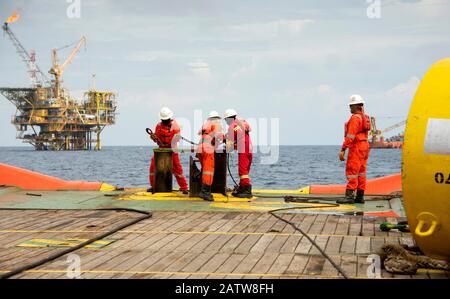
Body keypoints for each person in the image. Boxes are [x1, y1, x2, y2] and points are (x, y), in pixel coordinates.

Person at [337, 95, 371, 204]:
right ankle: (360, 196)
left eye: (351, 106)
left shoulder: (355, 118)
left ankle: (349, 196)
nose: (350, 108)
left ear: (356, 106)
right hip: (365, 146)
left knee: (352, 170)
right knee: (361, 172)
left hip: (356, 147)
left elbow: (350, 136)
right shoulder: (364, 117)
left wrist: (343, 149)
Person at [148, 107, 188, 194]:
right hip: (161, 149)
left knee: (177, 168)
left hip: (172, 149)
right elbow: (156, 139)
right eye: (163, 119)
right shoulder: (158, 126)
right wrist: (153, 137)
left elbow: (177, 138)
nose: (164, 121)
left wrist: (173, 140)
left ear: (169, 118)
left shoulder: (175, 126)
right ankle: (153, 186)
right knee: (153, 167)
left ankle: (184, 187)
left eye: (166, 119)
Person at [224, 109, 253, 198]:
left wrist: (226, 145)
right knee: (246, 170)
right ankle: (242, 188)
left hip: (243, 149)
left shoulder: (232, 126)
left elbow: (230, 143)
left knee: (242, 171)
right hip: (250, 148)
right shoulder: (242, 122)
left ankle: (247, 191)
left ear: (228, 119)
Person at [197, 111, 225, 201]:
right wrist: (224, 139)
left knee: (204, 169)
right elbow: (218, 136)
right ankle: (205, 192)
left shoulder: (205, 125)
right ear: (217, 118)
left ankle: (203, 190)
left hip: (200, 148)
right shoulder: (217, 124)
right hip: (208, 149)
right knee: (208, 171)